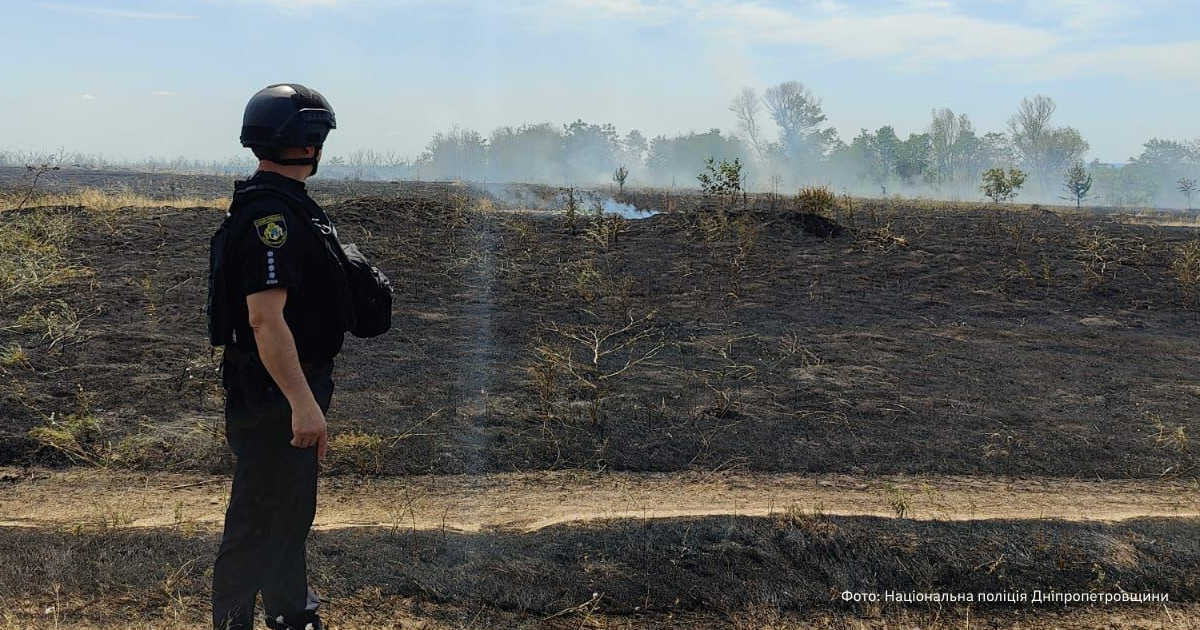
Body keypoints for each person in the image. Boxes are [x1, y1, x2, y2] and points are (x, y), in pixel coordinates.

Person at [208, 83, 344, 630]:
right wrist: (303, 404)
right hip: (275, 392)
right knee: (259, 516)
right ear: (308, 142)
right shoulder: (273, 218)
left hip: (279, 387)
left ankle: (292, 613)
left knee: (287, 509)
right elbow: (266, 320)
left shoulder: (277, 205)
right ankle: (234, 622)